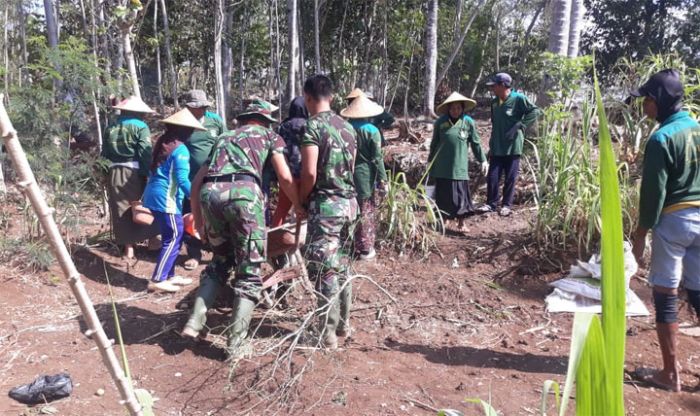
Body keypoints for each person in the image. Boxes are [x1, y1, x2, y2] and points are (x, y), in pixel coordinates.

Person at [181, 100, 304, 358]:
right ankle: (237, 344)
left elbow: (196, 182)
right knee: (249, 270)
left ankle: (194, 322)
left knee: (221, 260)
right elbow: (284, 176)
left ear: (245, 118)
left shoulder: (223, 137)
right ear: (265, 120)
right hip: (244, 196)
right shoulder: (271, 136)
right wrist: (298, 204)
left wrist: (199, 220)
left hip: (209, 195)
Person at [630, 69, 700, 393]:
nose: (644, 106)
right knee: (698, 293)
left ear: (657, 102)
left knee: (665, 293)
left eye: (646, 99)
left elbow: (654, 196)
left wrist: (641, 232)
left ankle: (670, 374)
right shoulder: (697, 129)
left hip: (674, 221)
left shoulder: (660, 139)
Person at [301, 74, 358, 349]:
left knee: (325, 269)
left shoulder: (311, 127)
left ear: (307, 97)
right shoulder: (348, 127)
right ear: (332, 97)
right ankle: (345, 323)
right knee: (344, 265)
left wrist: (302, 200)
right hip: (350, 205)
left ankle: (327, 332)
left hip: (326, 207)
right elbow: (352, 167)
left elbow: (309, 172)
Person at [142, 109, 205, 293]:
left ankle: (169, 275)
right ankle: (158, 279)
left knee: (171, 235)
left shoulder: (163, 141)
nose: (192, 133)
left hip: (154, 194)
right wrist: (197, 197)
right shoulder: (181, 149)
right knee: (174, 236)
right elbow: (183, 179)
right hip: (165, 198)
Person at [102, 96, 159, 258]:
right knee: (143, 204)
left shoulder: (111, 127)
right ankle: (153, 241)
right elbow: (145, 152)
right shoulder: (141, 127)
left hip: (114, 172)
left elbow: (104, 154)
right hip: (134, 172)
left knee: (121, 208)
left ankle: (129, 247)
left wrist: (104, 173)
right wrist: (147, 173)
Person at [478, 73, 541, 217]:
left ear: (503, 85)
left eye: (494, 86)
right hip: (497, 146)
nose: (492, 88)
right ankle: (491, 204)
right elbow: (495, 122)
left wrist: (521, 124)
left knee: (510, 178)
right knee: (493, 176)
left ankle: (506, 205)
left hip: (513, 146)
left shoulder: (518, 99)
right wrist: (492, 141)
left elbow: (535, 111)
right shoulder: (494, 102)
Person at [428, 92, 488, 231]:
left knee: (461, 196)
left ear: (462, 109)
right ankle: (444, 220)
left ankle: (461, 223)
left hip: (459, 167)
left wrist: (483, 160)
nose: (455, 111)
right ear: (448, 109)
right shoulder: (440, 122)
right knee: (443, 196)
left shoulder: (468, 122)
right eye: (452, 108)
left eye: (458, 108)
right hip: (442, 167)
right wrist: (430, 161)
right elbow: (434, 143)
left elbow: (476, 143)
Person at [182, 90, 227, 271]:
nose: (202, 110)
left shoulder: (215, 120)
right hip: (190, 178)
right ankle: (194, 254)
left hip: (215, 177)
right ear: (189, 107)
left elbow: (225, 142)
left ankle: (218, 252)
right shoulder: (182, 123)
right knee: (192, 216)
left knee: (215, 214)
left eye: (204, 107)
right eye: (198, 107)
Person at [341, 94, 387, 260]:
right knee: (366, 209)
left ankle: (349, 244)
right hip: (365, 175)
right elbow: (377, 158)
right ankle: (366, 248)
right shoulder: (371, 131)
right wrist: (383, 179)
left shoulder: (344, 127)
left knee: (349, 210)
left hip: (346, 174)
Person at [270, 96, 308, 227]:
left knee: (282, 208)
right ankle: (302, 240)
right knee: (305, 209)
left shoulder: (283, 126)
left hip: (287, 174)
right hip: (306, 174)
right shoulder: (310, 125)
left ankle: (275, 239)